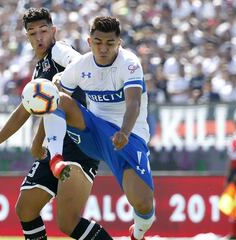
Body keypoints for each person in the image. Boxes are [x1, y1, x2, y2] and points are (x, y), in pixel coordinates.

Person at [0, 8, 112, 240]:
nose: (39, 37)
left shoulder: (59, 50)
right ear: (27, 38)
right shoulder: (40, 70)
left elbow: (79, 62)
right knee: (25, 208)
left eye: (43, 30)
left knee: (67, 223)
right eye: (32, 33)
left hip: (79, 143)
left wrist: (64, 78)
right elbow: (25, 111)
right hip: (55, 146)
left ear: (53, 31)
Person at [43, 16, 155, 240]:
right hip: (93, 131)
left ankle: (138, 234)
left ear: (119, 43)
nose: (103, 48)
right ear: (89, 41)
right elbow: (54, 101)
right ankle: (56, 158)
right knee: (55, 97)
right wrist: (40, 142)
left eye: (110, 43)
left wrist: (124, 131)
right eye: (97, 42)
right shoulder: (80, 66)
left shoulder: (130, 63)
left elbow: (133, 103)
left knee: (143, 205)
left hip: (128, 135)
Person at [223, 115, 236, 239]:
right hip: (234, 173)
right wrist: (228, 176)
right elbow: (230, 159)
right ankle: (234, 234)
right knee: (233, 204)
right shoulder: (233, 139)